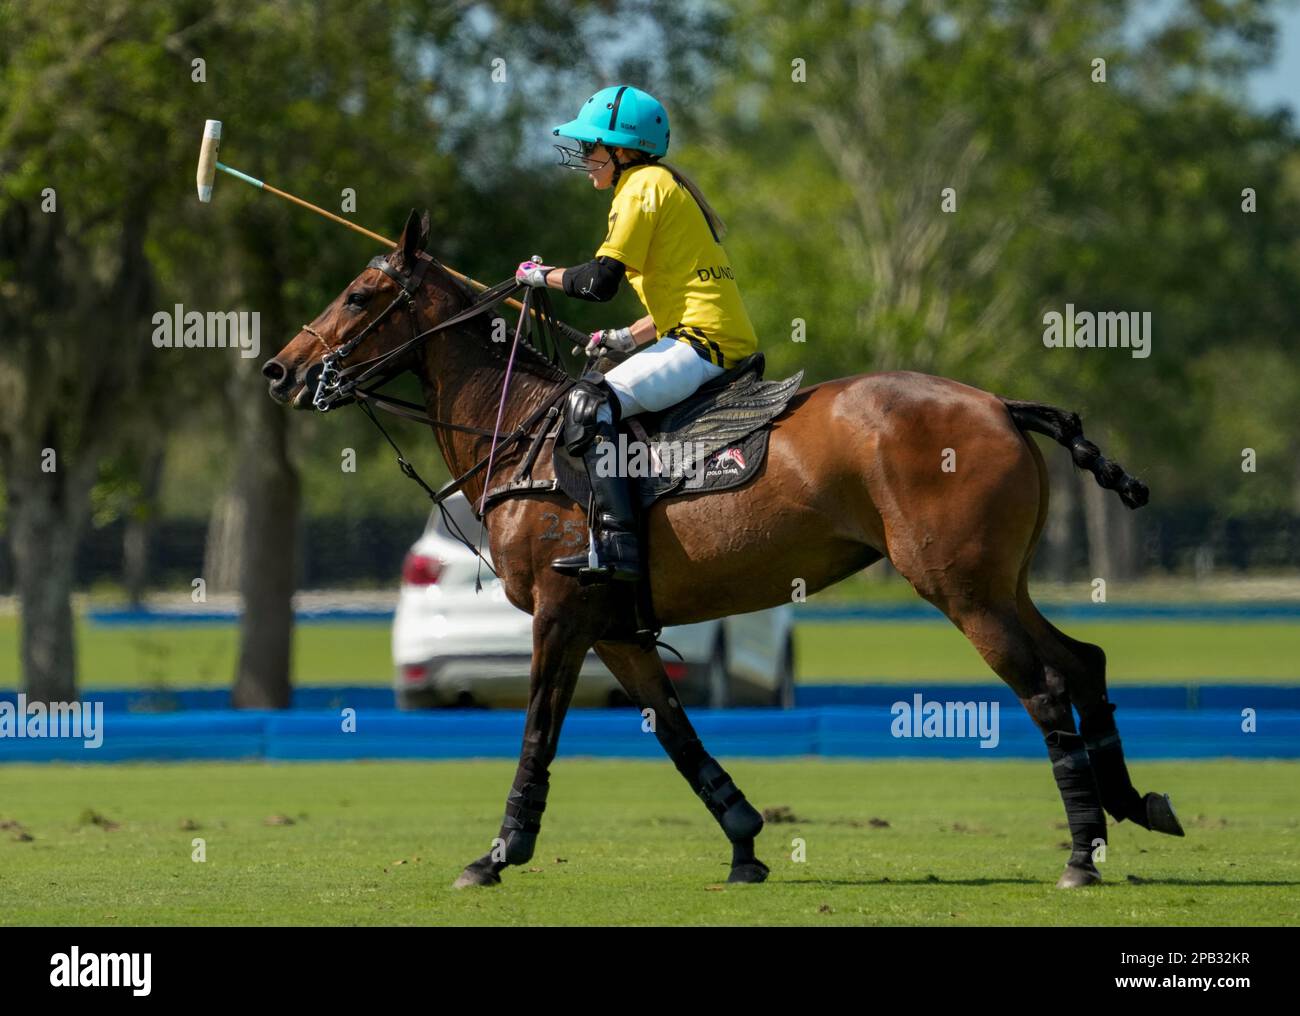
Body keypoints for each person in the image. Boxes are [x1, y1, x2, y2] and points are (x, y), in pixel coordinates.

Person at [515, 85, 758, 583]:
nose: (585, 158)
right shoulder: (661, 184)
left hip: (702, 345)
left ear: (622, 150)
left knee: (590, 404)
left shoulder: (641, 188)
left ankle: (618, 544)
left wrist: (540, 275)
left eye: (592, 147)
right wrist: (627, 336)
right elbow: (683, 293)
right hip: (702, 335)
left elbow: (599, 282)